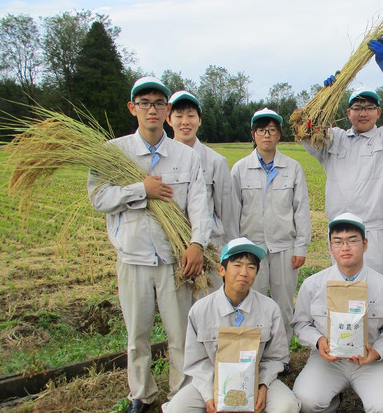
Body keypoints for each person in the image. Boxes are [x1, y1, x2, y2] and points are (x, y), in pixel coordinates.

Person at [87, 76, 211, 413]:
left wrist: (197, 243)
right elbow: (98, 198)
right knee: (137, 335)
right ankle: (140, 394)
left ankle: (182, 394)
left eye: (159, 103)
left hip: (175, 261)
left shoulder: (184, 157)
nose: (152, 109)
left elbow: (201, 205)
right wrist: (141, 190)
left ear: (167, 110)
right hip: (134, 258)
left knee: (180, 334)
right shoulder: (113, 153)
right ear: (133, 108)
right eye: (145, 103)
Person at [302, 37, 383, 279]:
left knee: (377, 296)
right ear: (348, 112)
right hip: (340, 233)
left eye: (369, 107)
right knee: (341, 295)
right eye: (357, 107)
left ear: (379, 112)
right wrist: (325, 94)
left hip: (374, 234)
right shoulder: (334, 139)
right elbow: (305, 131)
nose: (363, 112)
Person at [162, 237, 300, 413]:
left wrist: (263, 385)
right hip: (212, 381)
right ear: (222, 270)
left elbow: (276, 357)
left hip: (256, 379)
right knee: (177, 409)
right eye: (237, 265)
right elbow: (197, 361)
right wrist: (209, 395)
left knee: (287, 406)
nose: (244, 272)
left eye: (251, 267)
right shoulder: (200, 310)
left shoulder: (269, 309)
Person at [292, 213, 383, 413]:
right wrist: (319, 341)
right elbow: (301, 324)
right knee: (305, 400)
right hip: (328, 362)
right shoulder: (313, 285)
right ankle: (332, 399)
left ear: (365, 244)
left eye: (352, 241)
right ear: (330, 246)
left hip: (371, 363)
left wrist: (376, 352)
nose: (345, 248)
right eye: (338, 242)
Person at [230, 108, 311, 343]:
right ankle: (255, 350)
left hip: (284, 247)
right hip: (251, 249)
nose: (267, 135)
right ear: (253, 134)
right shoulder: (240, 169)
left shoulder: (293, 168)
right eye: (262, 130)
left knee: (283, 303)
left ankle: (281, 352)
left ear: (279, 135)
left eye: (273, 130)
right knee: (251, 302)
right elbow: (233, 212)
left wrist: (300, 247)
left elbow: (301, 209)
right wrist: (236, 249)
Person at [167, 90, 239, 289]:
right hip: (173, 248)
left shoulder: (216, 161)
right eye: (179, 116)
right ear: (168, 119)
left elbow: (228, 213)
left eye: (191, 115)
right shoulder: (160, 161)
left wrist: (230, 253)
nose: (185, 122)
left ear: (199, 120)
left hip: (210, 248)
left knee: (210, 308)